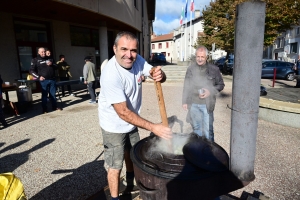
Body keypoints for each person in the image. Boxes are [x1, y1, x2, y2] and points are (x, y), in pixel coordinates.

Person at [98, 31, 172, 200]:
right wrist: (154, 127)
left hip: (132, 122)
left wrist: (159, 74)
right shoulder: (110, 73)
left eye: (133, 50)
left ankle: (131, 181)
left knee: (132, 154)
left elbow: (153, 72)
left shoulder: (137, 60)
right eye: (124, 49)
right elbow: (122, 112)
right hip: (113, 125)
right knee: (115, 165)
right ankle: (115, 198)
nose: (129, 55)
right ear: (114, 48)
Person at [182, 45, 225, 142]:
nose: (200, 59)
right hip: (193, 104)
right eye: (198, 56)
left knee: (208, 131)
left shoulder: (214, 69)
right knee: (196, 129)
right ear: (195, 56)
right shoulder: (191, 69)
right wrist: (184, 101)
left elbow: (221, 85)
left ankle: (210, 152)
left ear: (206, 57)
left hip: (207, 105)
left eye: (202, 57)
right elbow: (186, 86)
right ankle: (199, 151)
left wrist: (210, 91)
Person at [30, 47, 61, 113]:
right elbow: (31, 71)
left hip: (52, 79)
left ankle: (54, 107)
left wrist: (52, 64)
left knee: (53, 94)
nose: (43, 53)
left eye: (44, 51)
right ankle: (45, 109)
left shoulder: (50, 58)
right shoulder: (35, 60)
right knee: (44, 95)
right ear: (38, 52)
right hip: (44, 81)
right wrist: (38, 77)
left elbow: (56, 67)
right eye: (42, 52)